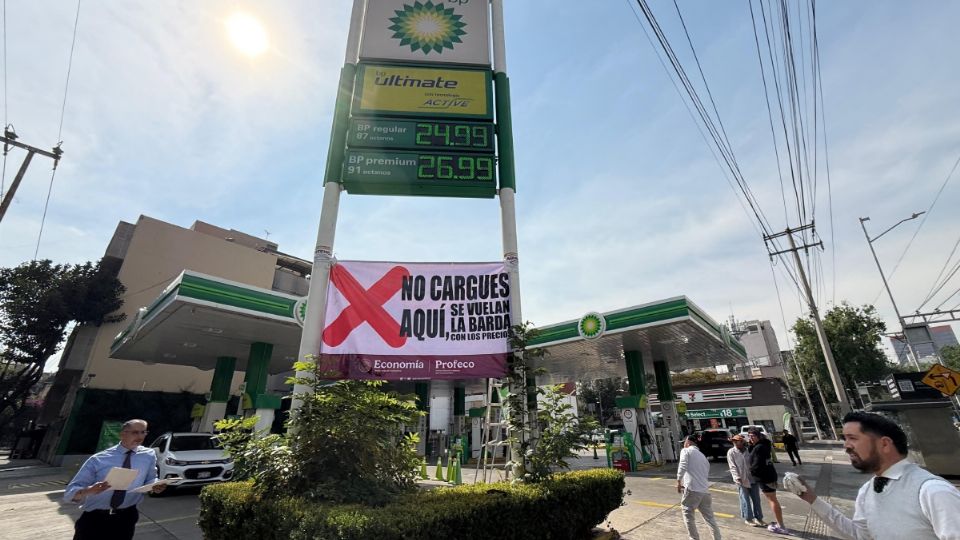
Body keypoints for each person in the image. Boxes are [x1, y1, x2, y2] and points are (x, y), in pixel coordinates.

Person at [793, 412, 960, 540]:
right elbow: (860, 534)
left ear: (885, 444)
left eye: (853, 438)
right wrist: (812, 499)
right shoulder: (867, 491)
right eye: (845, 439)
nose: (846, 446)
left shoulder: (932, 491)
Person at [64, 419, 166, 540]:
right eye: (135, 432)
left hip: (126, 518)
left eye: (143, 432)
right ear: (122, 434)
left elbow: (150, 478)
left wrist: (155, 486)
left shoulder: (148, 455)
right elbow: (69, 493)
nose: (140, 436)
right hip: (95, 519)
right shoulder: (98, 459)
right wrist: (89, 490)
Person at [676, 434, 722, 540]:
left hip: (692, 489)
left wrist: (679, 481)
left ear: (688, 442)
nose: (683, 445)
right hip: (705, 491)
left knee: (688, 514)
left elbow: (682, 465)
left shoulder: (686, 451)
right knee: (710, 518)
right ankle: (718, 538)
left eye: (684, 443)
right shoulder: (703, 457)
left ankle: (694, 538)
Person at [746, 428, 788, 534]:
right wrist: (751, 445)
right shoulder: (763, 445)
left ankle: (781, 526)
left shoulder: (760, 447)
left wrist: (751, 472)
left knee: (772, 499)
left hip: (765, 477)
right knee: (772, 499)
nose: (751, 437)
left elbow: (757, 463)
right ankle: (780, 523)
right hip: (769, 475)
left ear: (758, 436)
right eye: (749, 436)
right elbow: (753, 453)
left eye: (753, 436)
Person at [726, 434, 765, 527]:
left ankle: (759, 518)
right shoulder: (731, 452)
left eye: (737, 441)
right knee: (745, 499)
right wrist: (736, 477)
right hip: (741, 479)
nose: (735, 443)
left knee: (756, 499)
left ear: (742, 442)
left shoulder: (749, 450)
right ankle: (748, 518)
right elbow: (732, 466)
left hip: (752, 478)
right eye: (734, 441)